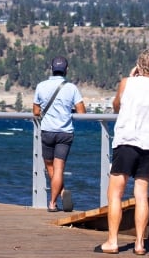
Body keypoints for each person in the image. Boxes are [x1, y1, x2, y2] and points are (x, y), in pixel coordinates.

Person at [96, 50, 149, 256]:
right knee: (141, 195)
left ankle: (112, 241)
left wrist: (131, 78)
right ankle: (139, 244)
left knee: (115, 193)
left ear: (138, 67)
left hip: (126, 143)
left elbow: (116, 107)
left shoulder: (127, 83)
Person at [33, 56, 86, 212]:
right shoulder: (71, 88)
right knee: (59, 168)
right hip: (65, 132)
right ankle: (53, 201)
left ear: (51, 68)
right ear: (66, 70)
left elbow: (36, 111)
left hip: (47, 131)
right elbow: (82, 112)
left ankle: (58, 197)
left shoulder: (41, 86)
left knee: (50, 167)